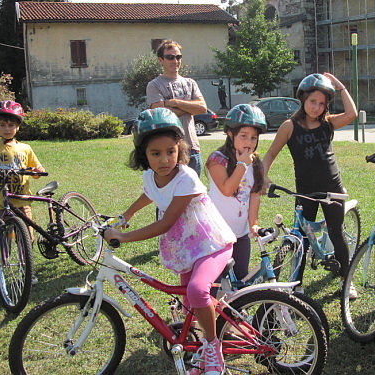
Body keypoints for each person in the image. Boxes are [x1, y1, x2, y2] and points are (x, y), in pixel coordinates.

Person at [103, 108, 236, 375]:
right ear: (144, 155)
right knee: (189, 303)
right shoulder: (150, 175)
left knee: (197, 290)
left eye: (171, 151)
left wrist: (124, 237)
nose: (164, 159)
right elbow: (149, 193)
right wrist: (127, 215)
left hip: (211, 242)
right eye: (155, 153)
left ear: (180, 149)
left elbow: (165, 223)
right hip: (187, 245)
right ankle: (202, 345)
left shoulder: (186, 178)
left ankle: (213, 348)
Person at [262, 73, 358, 297]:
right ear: (303, 99)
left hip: (332, 188)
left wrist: (340, 87)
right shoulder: (289, 126)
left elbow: (352, 114)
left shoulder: (328, 123)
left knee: (336, 233)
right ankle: (297, 284)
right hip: (305, 191)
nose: (316, 107)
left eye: (322, 103)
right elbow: (271, 153)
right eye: (312, 101)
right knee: (302, 238)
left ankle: (346, 279)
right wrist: (264, 175)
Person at [206, 104, 266, 280]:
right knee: (215, 282)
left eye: (254, 138)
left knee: (241, 279)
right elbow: (227, 189)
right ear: (230, 134)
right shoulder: (217, 159)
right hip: (215, 235)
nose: (249, 142)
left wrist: (253, 224)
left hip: (240, 233)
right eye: (243, 136)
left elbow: (254, 194)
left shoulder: (254, 161)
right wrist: (242, 165)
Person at [0, 101, 45, 285]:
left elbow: (37, 168)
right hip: (0, 203)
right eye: (2, 124)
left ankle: (27, 271)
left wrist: (38, 171)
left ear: (18, 126)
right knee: (3, 239)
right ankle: (3, 269)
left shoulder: (25, 148)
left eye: (11, 125)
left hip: (22, 201)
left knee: (26, 238)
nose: (6, 128)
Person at [147, 39, 208, 177]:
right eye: (170, 57)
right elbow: (161, 116)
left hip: (192, 149)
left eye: (178, 57)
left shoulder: (190, 83)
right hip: (169, 151)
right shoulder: (154, 85)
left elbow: (202, 108)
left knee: (194, 190)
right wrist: (190, 107)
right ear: (161, 60)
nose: (175, 61)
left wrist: (174, 102)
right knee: (171, 189)